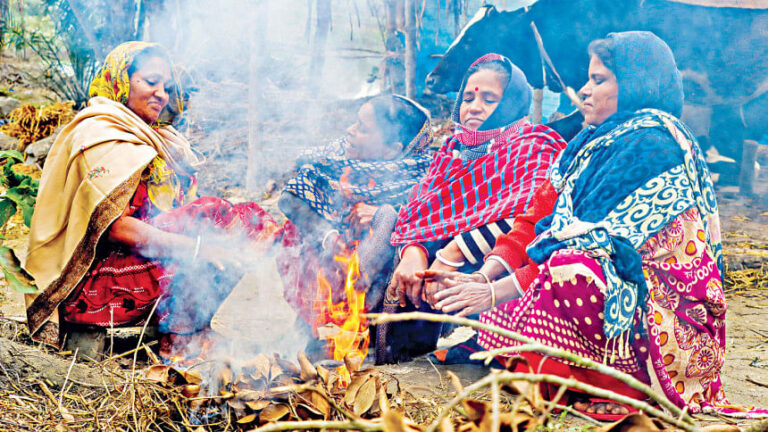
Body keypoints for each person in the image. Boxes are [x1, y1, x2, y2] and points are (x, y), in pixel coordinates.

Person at [427, 31, 768, 419]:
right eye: (588, 79)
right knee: (515, 289)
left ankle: (614, 383)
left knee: (569, 269)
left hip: (668, 322)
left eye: (599, 80)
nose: (584, 91)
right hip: (615, 293)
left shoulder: (653, 144)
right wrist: (486, 279)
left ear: (637, 84)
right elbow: (535, 220)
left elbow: (591, 247)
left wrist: (494, 292)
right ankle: (566, 371)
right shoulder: (589, 141)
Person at [24, 42, 280, 354]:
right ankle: (179, 342)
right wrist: (199, 247)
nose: (161, 93)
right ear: (120, 80)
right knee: (214, 215)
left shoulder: (157, 138)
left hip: (140, 267)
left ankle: (190, 329)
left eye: (167, 86)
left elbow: (172, 214)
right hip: (91, 287)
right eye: (150, 81)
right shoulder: (98, 133)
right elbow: (116, 228)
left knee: (252, 221)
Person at [379, 54, 567, 363]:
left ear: (512, 103)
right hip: (443, 261)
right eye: (468, 97)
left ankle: (473, 343)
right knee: (391, 237)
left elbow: (530, 219)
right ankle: (395, 349)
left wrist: (450, 254)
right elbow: (419, 212)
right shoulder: (452, 151)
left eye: (489, 99)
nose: (474, 107)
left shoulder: (534, 146)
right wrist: (415, 252)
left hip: (501, 268)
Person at [276, 95, 433, 337]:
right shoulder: (335, 157)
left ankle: (367, 330)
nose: (350, 131)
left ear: (392, 150)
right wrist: (330, 237)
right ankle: (321, 318)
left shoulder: (426, 178)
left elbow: (439, 222)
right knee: (296, 227)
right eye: (355, 122)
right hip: (332, 265)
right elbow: (290, 198)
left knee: (387, 225)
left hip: (384, 299)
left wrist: (388, 215)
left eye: (362, 128)